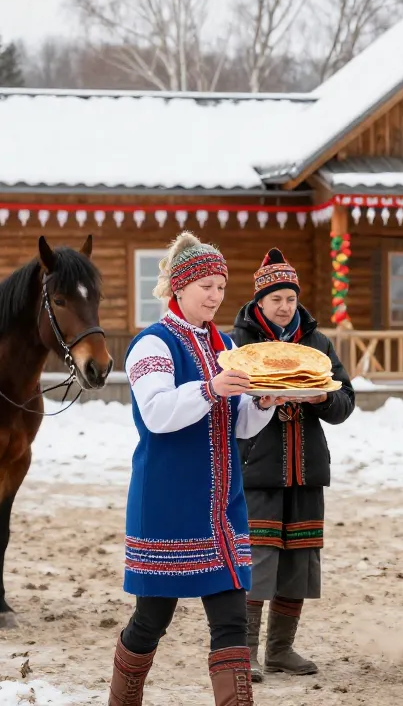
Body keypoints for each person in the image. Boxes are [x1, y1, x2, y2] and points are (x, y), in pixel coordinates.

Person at [107, 232, 294, 706]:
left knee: (231, 618)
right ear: (179, 288)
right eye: (206, 286)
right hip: (168, 504)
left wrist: (264, 402)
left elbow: (239, 424)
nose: (215, 296)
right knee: (151, 620)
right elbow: (157, 413)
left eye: (220, 287)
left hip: (222, 505)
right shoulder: (152, 344)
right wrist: (211, 388)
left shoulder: (226, 344)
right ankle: (122, 700)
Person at [230, 248, 355, 682]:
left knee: (298, 563)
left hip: (307, 471)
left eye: (290, 298)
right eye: (276, 299)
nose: (285, 307)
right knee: (258, 561)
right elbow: (226, 403)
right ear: (259, 302)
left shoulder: (317, 343)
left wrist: (321, 397)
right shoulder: (239, 343)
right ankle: (243, 653)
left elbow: (345, 401)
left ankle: (281, 650)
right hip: (258, 469)